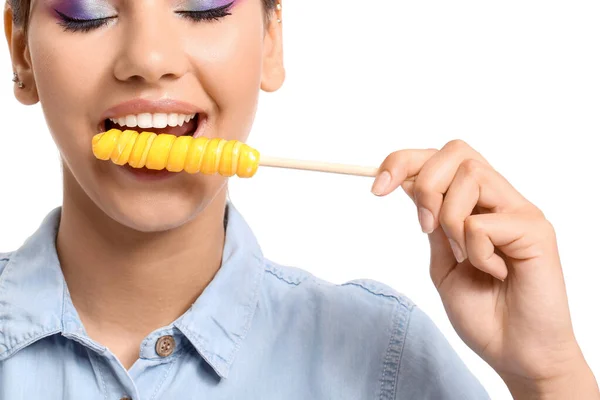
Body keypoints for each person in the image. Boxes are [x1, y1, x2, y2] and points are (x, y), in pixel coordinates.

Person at [1, 0, 598, 398]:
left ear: (270, 41)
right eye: (88, 10)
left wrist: (548, 374)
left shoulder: (382, 358)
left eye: (202, 5)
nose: (149, 60)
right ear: (21, 52)